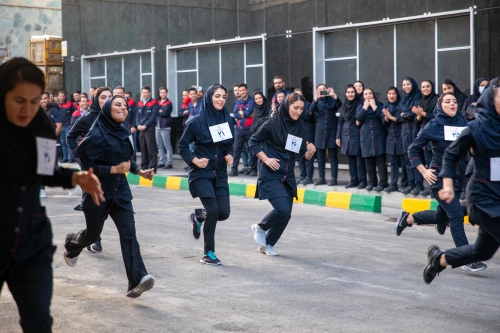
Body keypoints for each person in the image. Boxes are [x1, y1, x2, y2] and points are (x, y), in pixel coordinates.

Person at [0, 57, 104, 333]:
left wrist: (74, 177)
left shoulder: (42, 126)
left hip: (31, 242)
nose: (28, 109)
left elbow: (45, 172)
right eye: (19, 100)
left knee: (39, 323)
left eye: (35, 101)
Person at [64, 96, 156, 297]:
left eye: (125, 105)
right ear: (106, 109)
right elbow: (88, 167)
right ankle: (72, 244)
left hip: (120, 193)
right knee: (93, 235)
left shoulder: (123, 131)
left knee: (129, 234)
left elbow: (127, 160)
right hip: (97, 192)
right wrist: (114, 169)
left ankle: (137, 281)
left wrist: (139, 171)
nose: (123, 108)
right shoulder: (94, 136)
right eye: (118, 105)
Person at [395, 92, 486, 272]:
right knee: (456, 216)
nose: (452, 104)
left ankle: (407, 218)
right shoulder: (434, 125)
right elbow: (413, 150)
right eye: (447, 101)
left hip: (458, 178)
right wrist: (424, 171)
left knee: (440, 217)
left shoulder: (462, 122)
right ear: (440, 105)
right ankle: (466, 258)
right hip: (440, 178)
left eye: (454, 101)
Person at [423, 83, 500, 284]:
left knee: (481, 251)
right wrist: (447, 185)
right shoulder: (475, 128)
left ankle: (439, 259)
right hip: (483, 198)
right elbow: (450, 155)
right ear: (491, 101)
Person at [250, 93, 316, 255]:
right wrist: (266, 159)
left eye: (301, 109)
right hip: (270, 173)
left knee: (286, 215)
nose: (298, 112)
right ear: (287, 106)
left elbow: (302, 154)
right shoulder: (272, 122)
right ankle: (260, 227)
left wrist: (309, 152)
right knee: (282, 210)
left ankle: (268, 244)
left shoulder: (299, 126)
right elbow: (253, 142)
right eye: (295, 108)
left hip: (287, 175)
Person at [178, 84, 234, 265]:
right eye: (217, 96)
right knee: (214, 210)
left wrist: (229, 154)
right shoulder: (196, 121)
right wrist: (194, 160)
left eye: (224, 97)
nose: (221, 99)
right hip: (201, 173)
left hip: (220, 173)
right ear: (209, 97)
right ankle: (208, 253)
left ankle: (198, 217)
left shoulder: (228, 119)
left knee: (223, 213)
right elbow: (182, 146)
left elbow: (229, 143)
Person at [67, 86, 112, 253]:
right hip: (91, 168)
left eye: (110, 97)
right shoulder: (87, 118)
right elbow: (70, 136)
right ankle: (95, 239)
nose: (107, 100)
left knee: (106, 204)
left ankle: (93, 236)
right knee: (93, 205)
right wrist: (79, 156)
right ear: (96, 99)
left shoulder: (114, 117)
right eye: (103, 97)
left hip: (110, 168)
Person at [356, 88, 387, 191]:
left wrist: (373, 106)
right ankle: (372, 183)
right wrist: (365, 107)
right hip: (366, 137)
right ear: (363, 96)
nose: (368, 95)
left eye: (370, 93)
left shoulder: (380, 105)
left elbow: (381, 116)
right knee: (369, 161)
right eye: (366, 94)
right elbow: (358, 118)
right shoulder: (360, 107)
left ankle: (382, 183)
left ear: (373, 95)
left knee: (380, 161)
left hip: (378, 136)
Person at [412, 80, 439, 196]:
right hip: (424, 137)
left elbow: (437, 116)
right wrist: (418, 116)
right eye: (423, 87)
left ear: (432, 87)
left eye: (428, 86)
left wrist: (423, 114)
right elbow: (416, 120)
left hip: (435, 136)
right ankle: (430, 188)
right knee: (427, 164)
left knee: (434, 164)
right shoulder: (421, 101)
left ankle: (436, 188)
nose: (425, 89)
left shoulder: (437, 100)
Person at [337, 84, 366, 189]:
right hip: (346, 135)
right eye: (348, 92)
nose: (350, 94)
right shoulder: (344, 106)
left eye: (352, 92)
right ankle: (353, 180)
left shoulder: (360, 104)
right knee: (350, 160)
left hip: (357, 134)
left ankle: (362, 181)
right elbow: (340, 122)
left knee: (359, 160)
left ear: (355, 93)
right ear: (345, 94)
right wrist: (338, 136)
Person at [311, 84, 341, 186]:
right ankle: (321, 178)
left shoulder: (332, 100)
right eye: (320, 90)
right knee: (320, 156)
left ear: (327, 90)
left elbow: (340, 107)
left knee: (333, 155)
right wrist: (316, 98)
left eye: (324, 89)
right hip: (319, 131)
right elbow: (310, 111)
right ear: (317, 91)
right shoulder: (317, 101)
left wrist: (334, 96)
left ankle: (334, 178)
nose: (322, 91)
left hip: (332, 130)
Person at [399, 77, 424, 195]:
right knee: (407, 159)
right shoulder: (403, 98)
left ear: (413, 85)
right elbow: (399, 115)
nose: (406, 87)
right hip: (404, 131)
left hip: (414, 129)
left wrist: (406, 114)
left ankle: (419, 185)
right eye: (404, 85)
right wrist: (407, 114)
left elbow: (415, 113)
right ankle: (411, 184)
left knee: (416, 157)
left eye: (408, 84)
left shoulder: (418, 96)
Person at [381, 87, 407, 192]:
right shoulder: (385, 106)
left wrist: (390, 116)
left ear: (397, 95)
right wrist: (386, 118)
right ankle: (393, 183)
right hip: (391, 138)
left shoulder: (401, 105)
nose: (391, 96)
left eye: (394, 93)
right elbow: (383, 123)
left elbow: (401, 119)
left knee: (403, 161)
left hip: (401, 136)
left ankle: (405, 183)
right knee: (393, 162)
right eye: (389, 94)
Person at [230, 83, 256, 177]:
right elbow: (235, 114)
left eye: (243, 90)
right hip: (239, 129)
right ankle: (234, 169)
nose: (241, 92)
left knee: (251, 149)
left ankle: (253, 169)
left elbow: (250, 111)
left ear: (247, 90)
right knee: (236, 150)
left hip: (250, 129)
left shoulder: (252, 100)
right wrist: (245, 114)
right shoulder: (238, 102)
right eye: (240, 91)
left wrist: (242, 113)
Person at [136, 85, 159, 172]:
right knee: (143, 148)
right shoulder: (140, 103)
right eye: (143, 93)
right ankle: (144, 166)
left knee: (151, 148)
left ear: (150, 93)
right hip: (141, 128)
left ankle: (153, 167)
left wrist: (145, 125)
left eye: (146, 93)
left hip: (149, 128)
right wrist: (138, 125)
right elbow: (137, 116)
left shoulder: (154, 102)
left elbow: (153, 116)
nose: (145, 94)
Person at [295, 88, 315, 185]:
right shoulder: (291, 106)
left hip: (306, 133)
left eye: (299, 95)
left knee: (308, 154)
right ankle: (302, 175)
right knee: (298, 156)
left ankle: (309, 177)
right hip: (295, 133)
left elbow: (307, 116)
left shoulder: (307, 105)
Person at [156, 87, 173, 169]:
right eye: (161, 92)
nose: (163, 94)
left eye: (164, 92)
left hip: (165, 126)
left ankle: (169, 163)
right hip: (157, 126)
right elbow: (155, 111)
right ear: (159, 94)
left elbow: (165, 113)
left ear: (167, 93)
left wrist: (159, 111)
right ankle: (161, 162)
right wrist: (159, 111)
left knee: (167, 145)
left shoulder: (169, 103)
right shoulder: (158, 102)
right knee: (159, 145)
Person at [57, 89, 76, 163]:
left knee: (68, 142)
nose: (61, 97)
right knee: (63, 143)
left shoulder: (70, 104)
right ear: (58, 97)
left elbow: (73, 113)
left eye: (63, 96)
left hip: (68, 125)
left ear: (65, 96)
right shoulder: (57, 104)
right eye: (60, 96)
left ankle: (71, 158)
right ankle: (65, 158)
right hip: (60, 126)